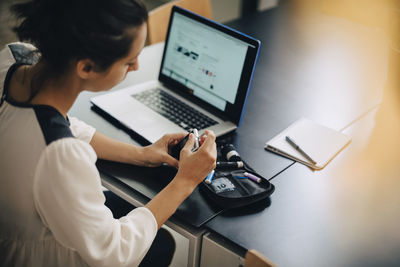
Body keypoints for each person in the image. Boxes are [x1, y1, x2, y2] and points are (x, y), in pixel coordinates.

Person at [0, 0, 217, 266]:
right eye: (129, 61)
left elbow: (58, 125)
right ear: (86, 67)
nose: (136, 67)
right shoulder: (61, 156)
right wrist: (186, 180)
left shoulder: (13, 59)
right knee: (161, 244)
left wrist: (141, 154)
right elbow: (115, 253)